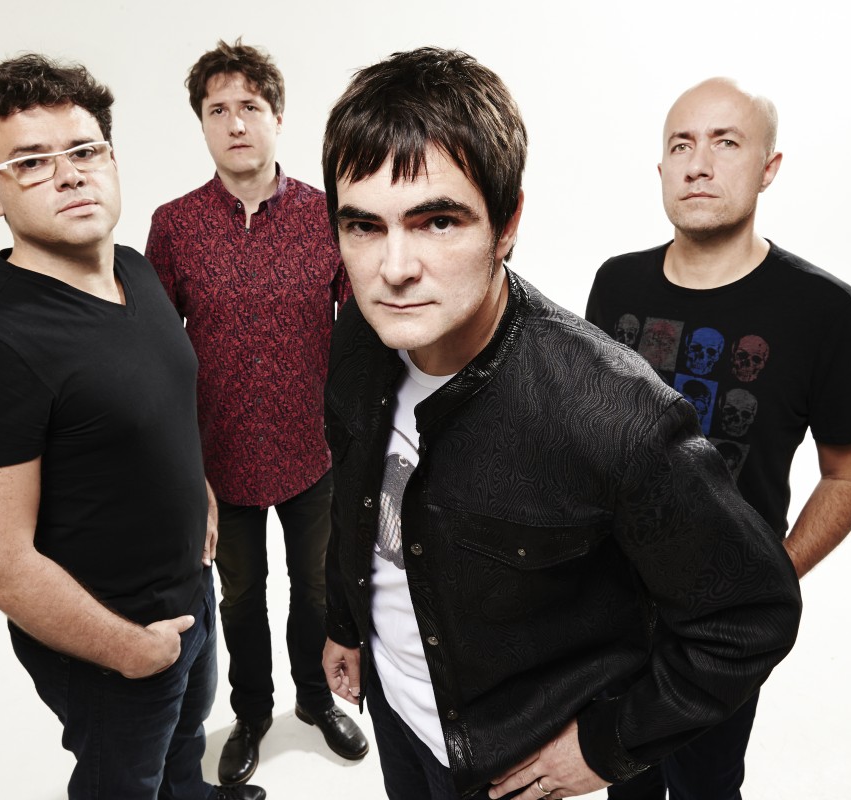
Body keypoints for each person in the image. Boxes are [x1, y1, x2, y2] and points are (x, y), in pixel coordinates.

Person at [319, 48, 803, 800]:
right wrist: (346, 623)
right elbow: (356, 490)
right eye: (363, 226)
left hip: (507, 764)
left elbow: (750, 614)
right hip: (394, 709)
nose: (395, 268)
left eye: (438, 221)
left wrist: (610, 746)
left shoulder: (616, 416)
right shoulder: (358, 333)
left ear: (507, 222)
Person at [0, 54, 264, 800]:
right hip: (112, 643)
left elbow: (153, 409)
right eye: (31, 163)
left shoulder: (135, 270)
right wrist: (131, 651)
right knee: (123, 780)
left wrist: (199, 490)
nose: (70, 175)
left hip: (189, 592)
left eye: (84, 150)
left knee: (185, 746)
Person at [587, 77, 851, 800]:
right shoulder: (616, 285)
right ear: (661, 167)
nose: (698, 164)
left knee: (707, 787)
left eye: (726, 143)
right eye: (681, 145)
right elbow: (585, 441)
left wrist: (773, 575)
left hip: (719, 629)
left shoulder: (825, 310)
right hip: (609, 611)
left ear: (768, 168)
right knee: (623, 780)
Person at [145, 39, 367, 786]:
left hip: (315, 455)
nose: (236, 123)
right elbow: (155, 357)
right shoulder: (174, 227)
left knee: (318, 590)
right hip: (220, 464)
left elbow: (363, 335)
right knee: (240, 600)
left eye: (250, 107)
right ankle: (252, 712)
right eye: (218, 110)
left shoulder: (327, 215)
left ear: (278, 117)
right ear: (202, 124)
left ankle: (316, 700)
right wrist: (185, 471)